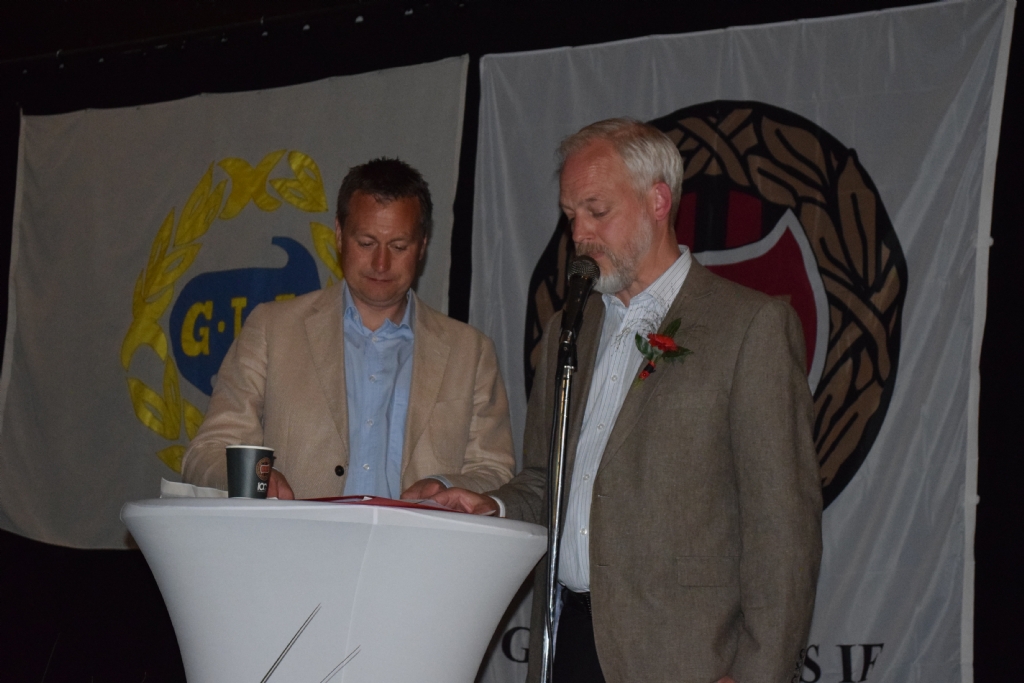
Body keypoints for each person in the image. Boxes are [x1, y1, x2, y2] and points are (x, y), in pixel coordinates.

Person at [434, 119, 822, 682]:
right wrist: (489, 506)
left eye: (597, 210)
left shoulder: (750, 326)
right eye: (570, 215)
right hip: (565, 642)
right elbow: (544, 480)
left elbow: (782, 529)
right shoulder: (568, 328)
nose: (580, 234)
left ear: (658, 201)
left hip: (686, 659)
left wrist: (758, 676)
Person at [182, 158, 516, 500]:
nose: (381, 263)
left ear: (423, 245)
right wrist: (255, 477)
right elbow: (207, 451)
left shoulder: (471, 352)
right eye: (366, 243)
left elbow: (494, 471)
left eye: (398, 246)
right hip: (298, 534)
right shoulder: (272, 329)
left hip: (416, 535)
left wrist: (445, 485)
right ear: (339, 235)